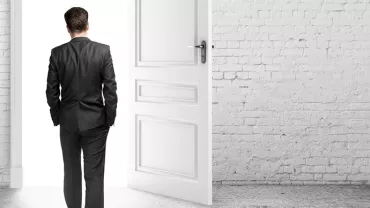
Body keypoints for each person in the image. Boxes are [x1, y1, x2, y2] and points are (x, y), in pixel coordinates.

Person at [45, 7, 118, 208]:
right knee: (94, 174)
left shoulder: (57, 53)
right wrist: (109, 118)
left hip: (68, 122)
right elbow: (110, 88)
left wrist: (57, 117)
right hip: (96, 122)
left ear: (67, 28)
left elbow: (51, 91)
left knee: (71, 172)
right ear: (88, 25)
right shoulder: (103, 51)